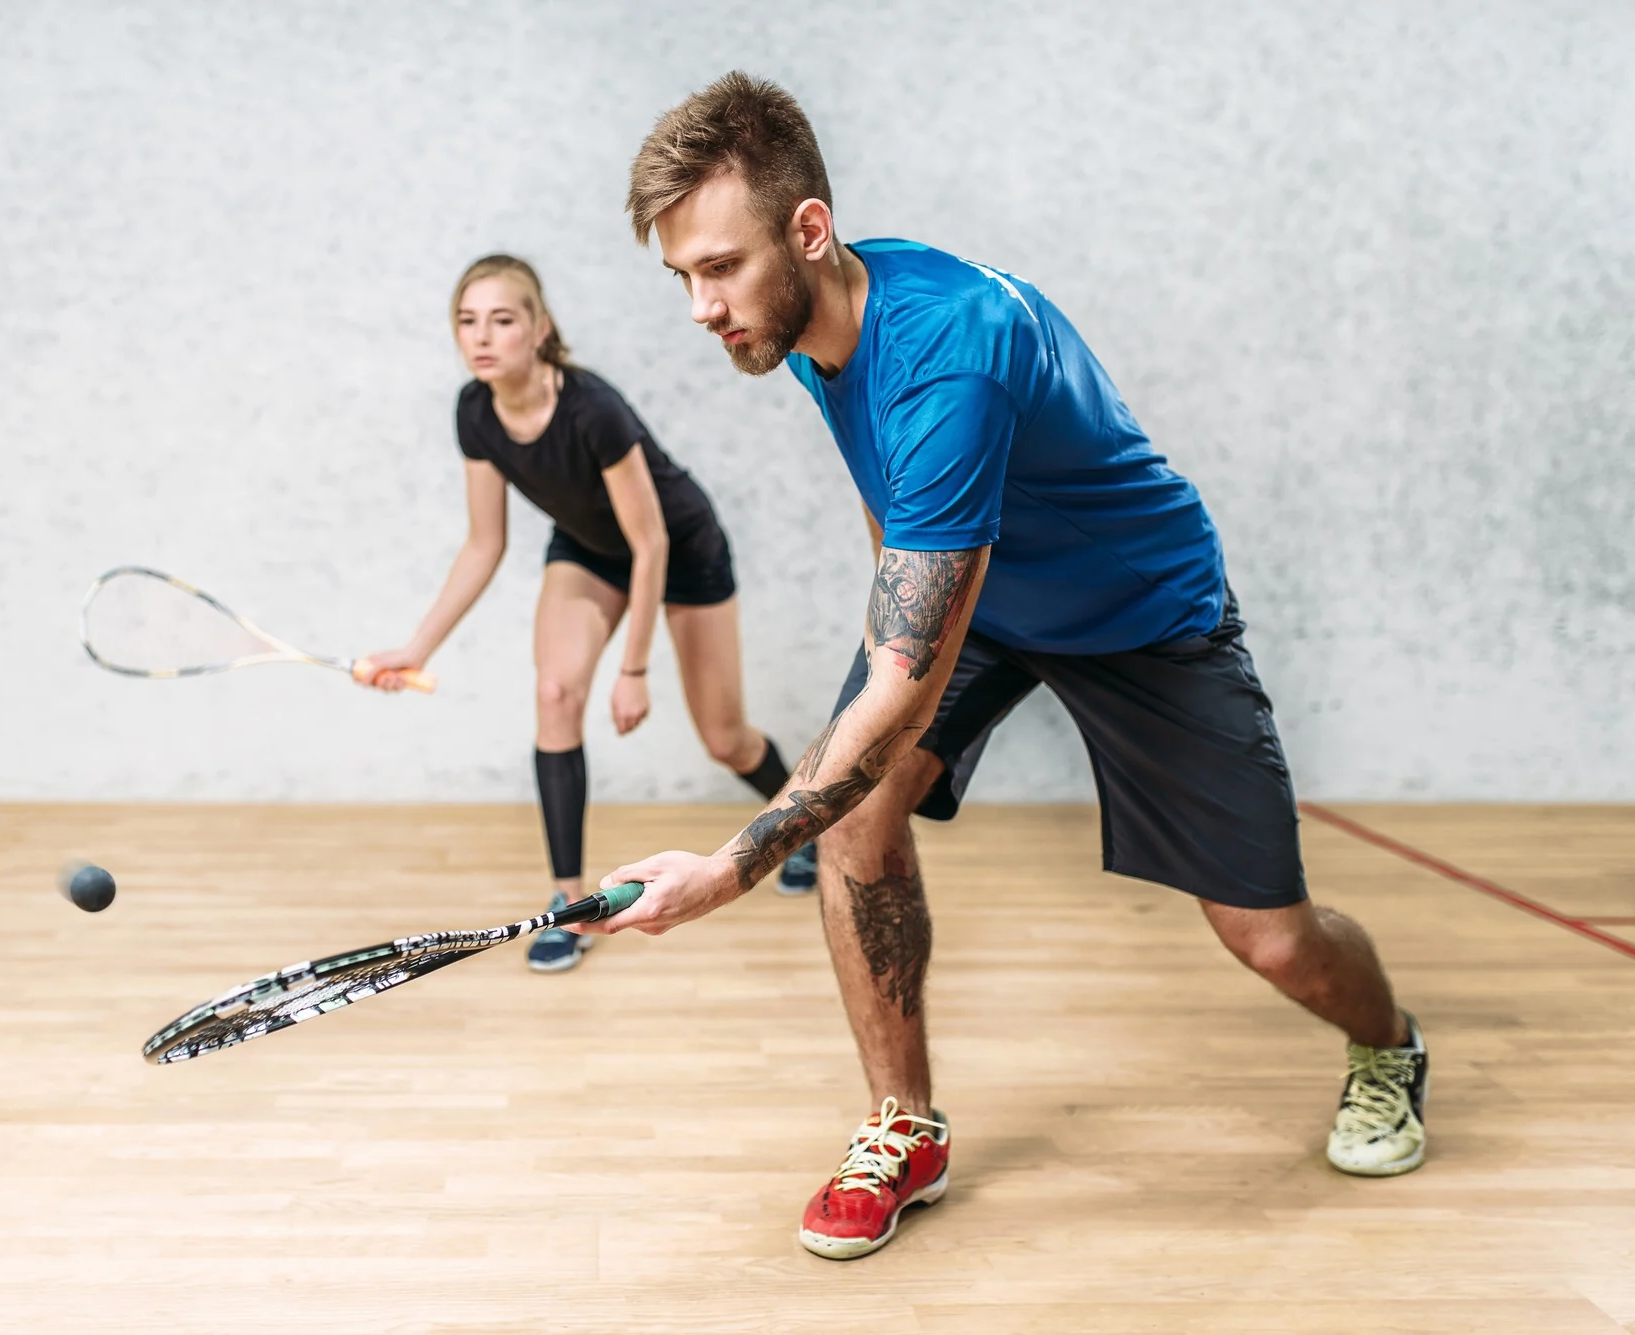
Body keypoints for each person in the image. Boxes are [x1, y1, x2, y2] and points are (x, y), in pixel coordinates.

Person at [577, 73, 1429, 1259]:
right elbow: (898, 517)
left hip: (1139, 612)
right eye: (681, 276)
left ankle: (1388, 1046)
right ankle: (902, 1125)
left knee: (1269, 939)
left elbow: (903, 672)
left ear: (808, 230)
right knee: (855, 811)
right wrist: (888, 649)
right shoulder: (811, 320)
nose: (699, 306)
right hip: (979, 595)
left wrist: (727, 868)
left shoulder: (948, 353)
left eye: (717, 267)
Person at [361, 254, 816, 972]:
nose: (482, 337)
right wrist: (417, 648)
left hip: (680, 547)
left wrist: (633, 669)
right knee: (555, 693)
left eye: (502, 319)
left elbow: (651, 543)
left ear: (540, 326)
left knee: (725, 738)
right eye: (467, 321)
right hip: (588, 548)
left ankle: (806, 832)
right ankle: (569, 904)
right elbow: (484, 544)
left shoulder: (591, 408)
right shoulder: (474, 411)